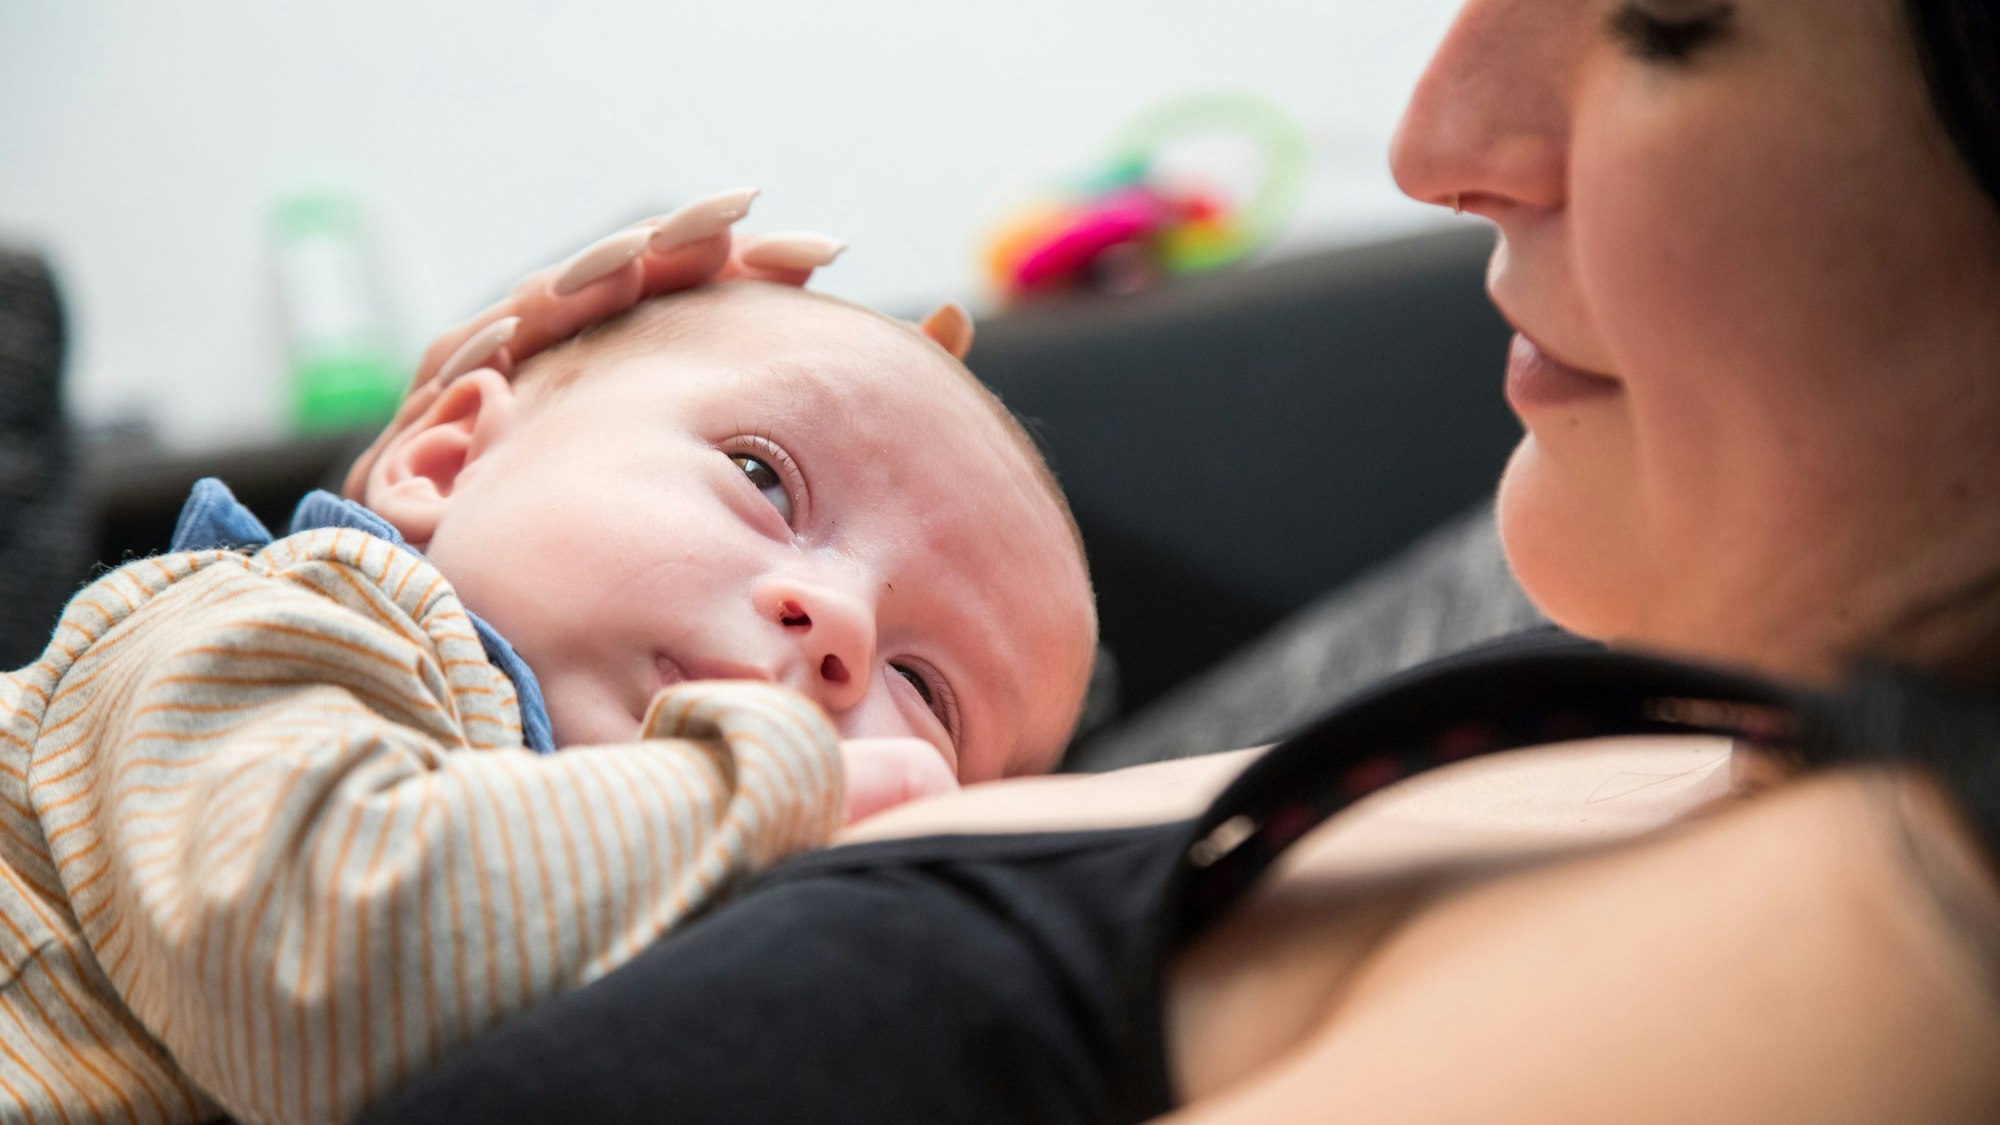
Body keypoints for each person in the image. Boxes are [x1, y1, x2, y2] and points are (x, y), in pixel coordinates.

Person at [359, 0, 2000, 1121]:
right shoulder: (1699, 688)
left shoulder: (1882, 953)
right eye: (762, 481)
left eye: (1667, 13)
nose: (1436, 140)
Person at [0, 201, 1096, 1123]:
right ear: (443, 457)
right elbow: (321, 981)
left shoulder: (675, 900)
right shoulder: (278, 622)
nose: (841, 623)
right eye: (763, 480)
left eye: (925, 690)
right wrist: (785, 786)